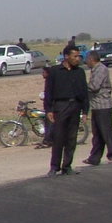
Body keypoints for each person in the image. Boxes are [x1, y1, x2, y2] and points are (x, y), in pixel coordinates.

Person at [44, 45, 89, 177]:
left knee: (71, 138)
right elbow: (48, 92)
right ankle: (54, 167)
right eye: (75, 56)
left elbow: (84, 93)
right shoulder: (55, 71)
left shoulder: (79, 72)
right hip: (60, 106)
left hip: (75, 106)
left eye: (78, 56)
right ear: (66, 56)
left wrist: (85, 111)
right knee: (58, 137)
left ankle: (67, 166)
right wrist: (49, 110)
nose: (77, 59)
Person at [84, 50, 112, 166]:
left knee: (106, 131)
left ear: (91, 59)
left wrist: (81, 86)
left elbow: (94, 86)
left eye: (87, 60)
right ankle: (94, 157)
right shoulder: (95, 70)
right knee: (97, 134)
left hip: (103, 105)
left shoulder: (100, 69)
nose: (86, 62)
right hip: (96, 106)